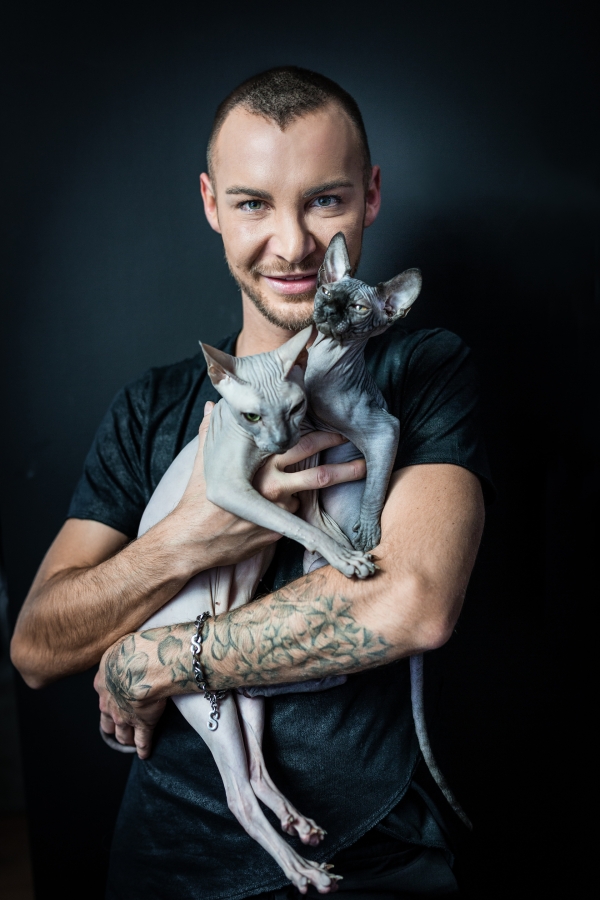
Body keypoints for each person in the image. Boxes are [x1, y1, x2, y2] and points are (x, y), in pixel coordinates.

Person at [11, 67, 491, 898]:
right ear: (211, 205)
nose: (294, 244)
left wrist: (156, 658)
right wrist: (193, 535)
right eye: (253, 203)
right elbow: (37, 646)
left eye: (325, 200)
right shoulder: (153, 407)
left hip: (369, 859)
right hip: (161, 863)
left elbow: (410, 602)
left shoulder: (420, 370)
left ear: (370, 196)